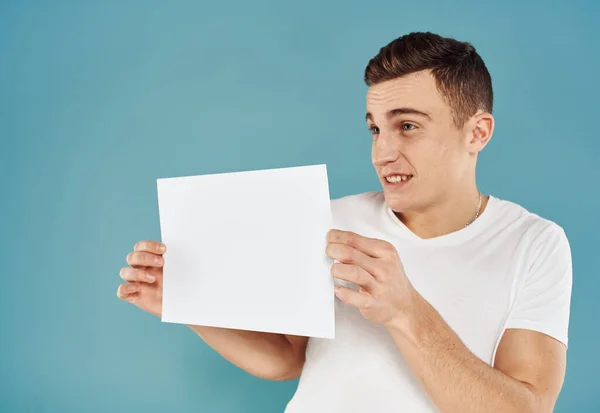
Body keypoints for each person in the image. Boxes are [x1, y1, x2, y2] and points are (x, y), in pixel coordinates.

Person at [116, 32, 572, 413]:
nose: (382, 153)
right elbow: (288, 358)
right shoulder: (330, 218)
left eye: (407, 126)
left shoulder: (534, 243)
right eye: (375, 128)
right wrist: (188, 304)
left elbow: (525, 408)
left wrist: (405, 310)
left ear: (477, 133)